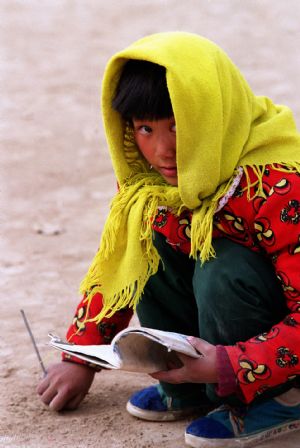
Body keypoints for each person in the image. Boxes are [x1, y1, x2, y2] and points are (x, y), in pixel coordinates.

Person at [37, 32, 300, 447]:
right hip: (224, 344)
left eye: (178, 125)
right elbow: (121, 265)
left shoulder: (277, 185)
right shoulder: (153, 183)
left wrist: (230, 365)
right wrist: (81, 357)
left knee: (223, 268)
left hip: (277, 350)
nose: (162, 150)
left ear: (213, 116)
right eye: (145, 128)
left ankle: (276, 398)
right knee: (149, 244)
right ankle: (189, 386)